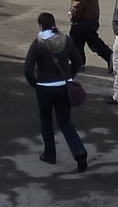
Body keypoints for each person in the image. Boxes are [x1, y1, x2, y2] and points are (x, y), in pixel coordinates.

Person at [23, 12, 87, 170]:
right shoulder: (65, 40)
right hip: (63, 86)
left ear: (40, 25)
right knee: (65, 122)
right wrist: (68, 76)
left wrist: (35, 84)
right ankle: (79, 153)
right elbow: (78, 60)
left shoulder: (37, 44)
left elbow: (27, 69)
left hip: (44, 88)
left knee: (46, 121)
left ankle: (50, 154)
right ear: (54, 24)